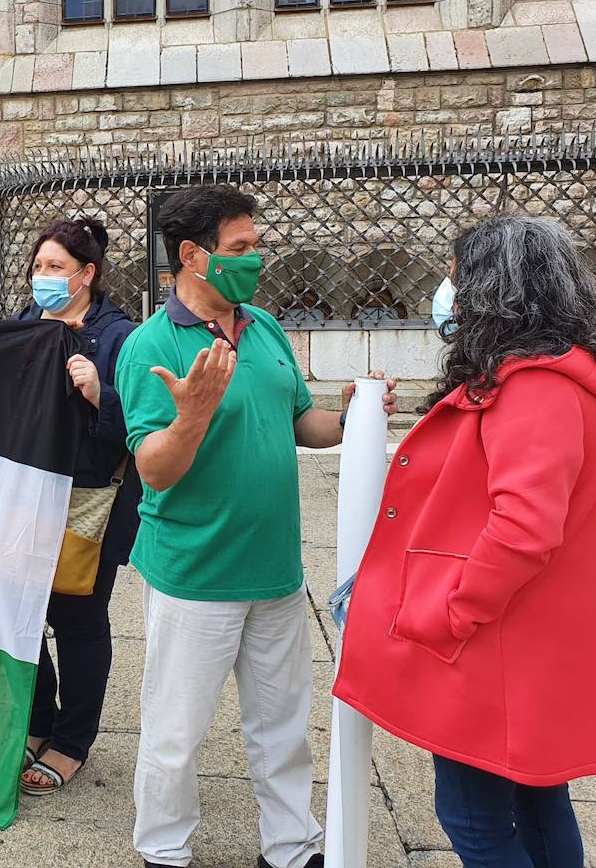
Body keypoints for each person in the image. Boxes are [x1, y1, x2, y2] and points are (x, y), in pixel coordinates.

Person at [333, 216, 596, 868]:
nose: (446, 289)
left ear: (490, 286)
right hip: (529, 637)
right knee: (537, 802)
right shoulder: (563, 376)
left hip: (494, 643)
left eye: (455, 273)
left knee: (474, 819)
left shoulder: (533, 384)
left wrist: (452, 610)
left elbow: (524, 525)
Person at [113, 185, 396, 868]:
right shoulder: (151, 345)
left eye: (255, 244)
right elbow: (154, 468)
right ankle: (164, 849)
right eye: (240, 248)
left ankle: (292, 848)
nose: (256, 258)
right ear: (193, 255)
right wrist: (192, 414)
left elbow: (303, 420)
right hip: (195, 575)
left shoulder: (263, 328)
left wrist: (351, 415)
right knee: (176, 732)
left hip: (275, 571)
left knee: (283, 727)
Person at [11, 218, 141, 797]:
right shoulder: (22, 326)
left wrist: (99, 393)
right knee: (21, 611)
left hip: (89, 500)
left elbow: (143, 421)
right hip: (23, 494)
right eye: (38, 267)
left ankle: (72, 738)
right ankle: (38, 718)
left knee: (78, 621)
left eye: (55, 268)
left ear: (87, 274)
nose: (43, 278)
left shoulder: (120, 338)